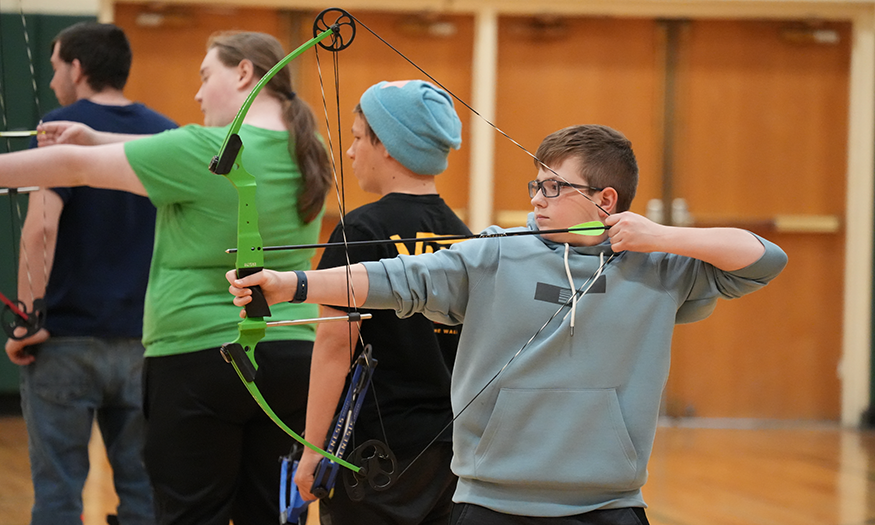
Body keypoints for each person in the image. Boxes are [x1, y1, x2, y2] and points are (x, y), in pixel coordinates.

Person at [228, 124, 788, 524]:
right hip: (490, 503)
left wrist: (662, 237)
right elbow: (393, 279)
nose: (537, 200)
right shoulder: (494, 254)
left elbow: (764, 258)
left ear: (605, 200)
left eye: (553, 187)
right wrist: (290, 285)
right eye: (535, 186)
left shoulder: (662, 270)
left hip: (610, 504)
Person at [0, 31, 332, 525]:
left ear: (243, 73)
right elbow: (174, 152)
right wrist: (102, 137)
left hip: (198, 360)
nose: (197, 94)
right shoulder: (311, 151)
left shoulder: (209, 150)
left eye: (205, 76)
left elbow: (76, 166)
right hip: (291, 355)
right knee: (270, 514)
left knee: (187, 514)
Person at [3, 22, 177, 525]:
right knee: (145, 493)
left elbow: (40, 230)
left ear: (77, 69)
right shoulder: (168, 133)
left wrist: (26, 318)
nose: (54, 76)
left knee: (58, 496)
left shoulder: (62, 127)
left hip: (64, 341)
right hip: (148, 340)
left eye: (56, 65)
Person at [293, 80, 470, 525]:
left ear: (389, 146)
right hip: (454, 456)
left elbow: (335, 346)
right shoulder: (464, 237)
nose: (349, 152)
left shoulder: (360, 230)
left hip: (372, 453)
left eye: (356, 138)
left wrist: (313, 449)